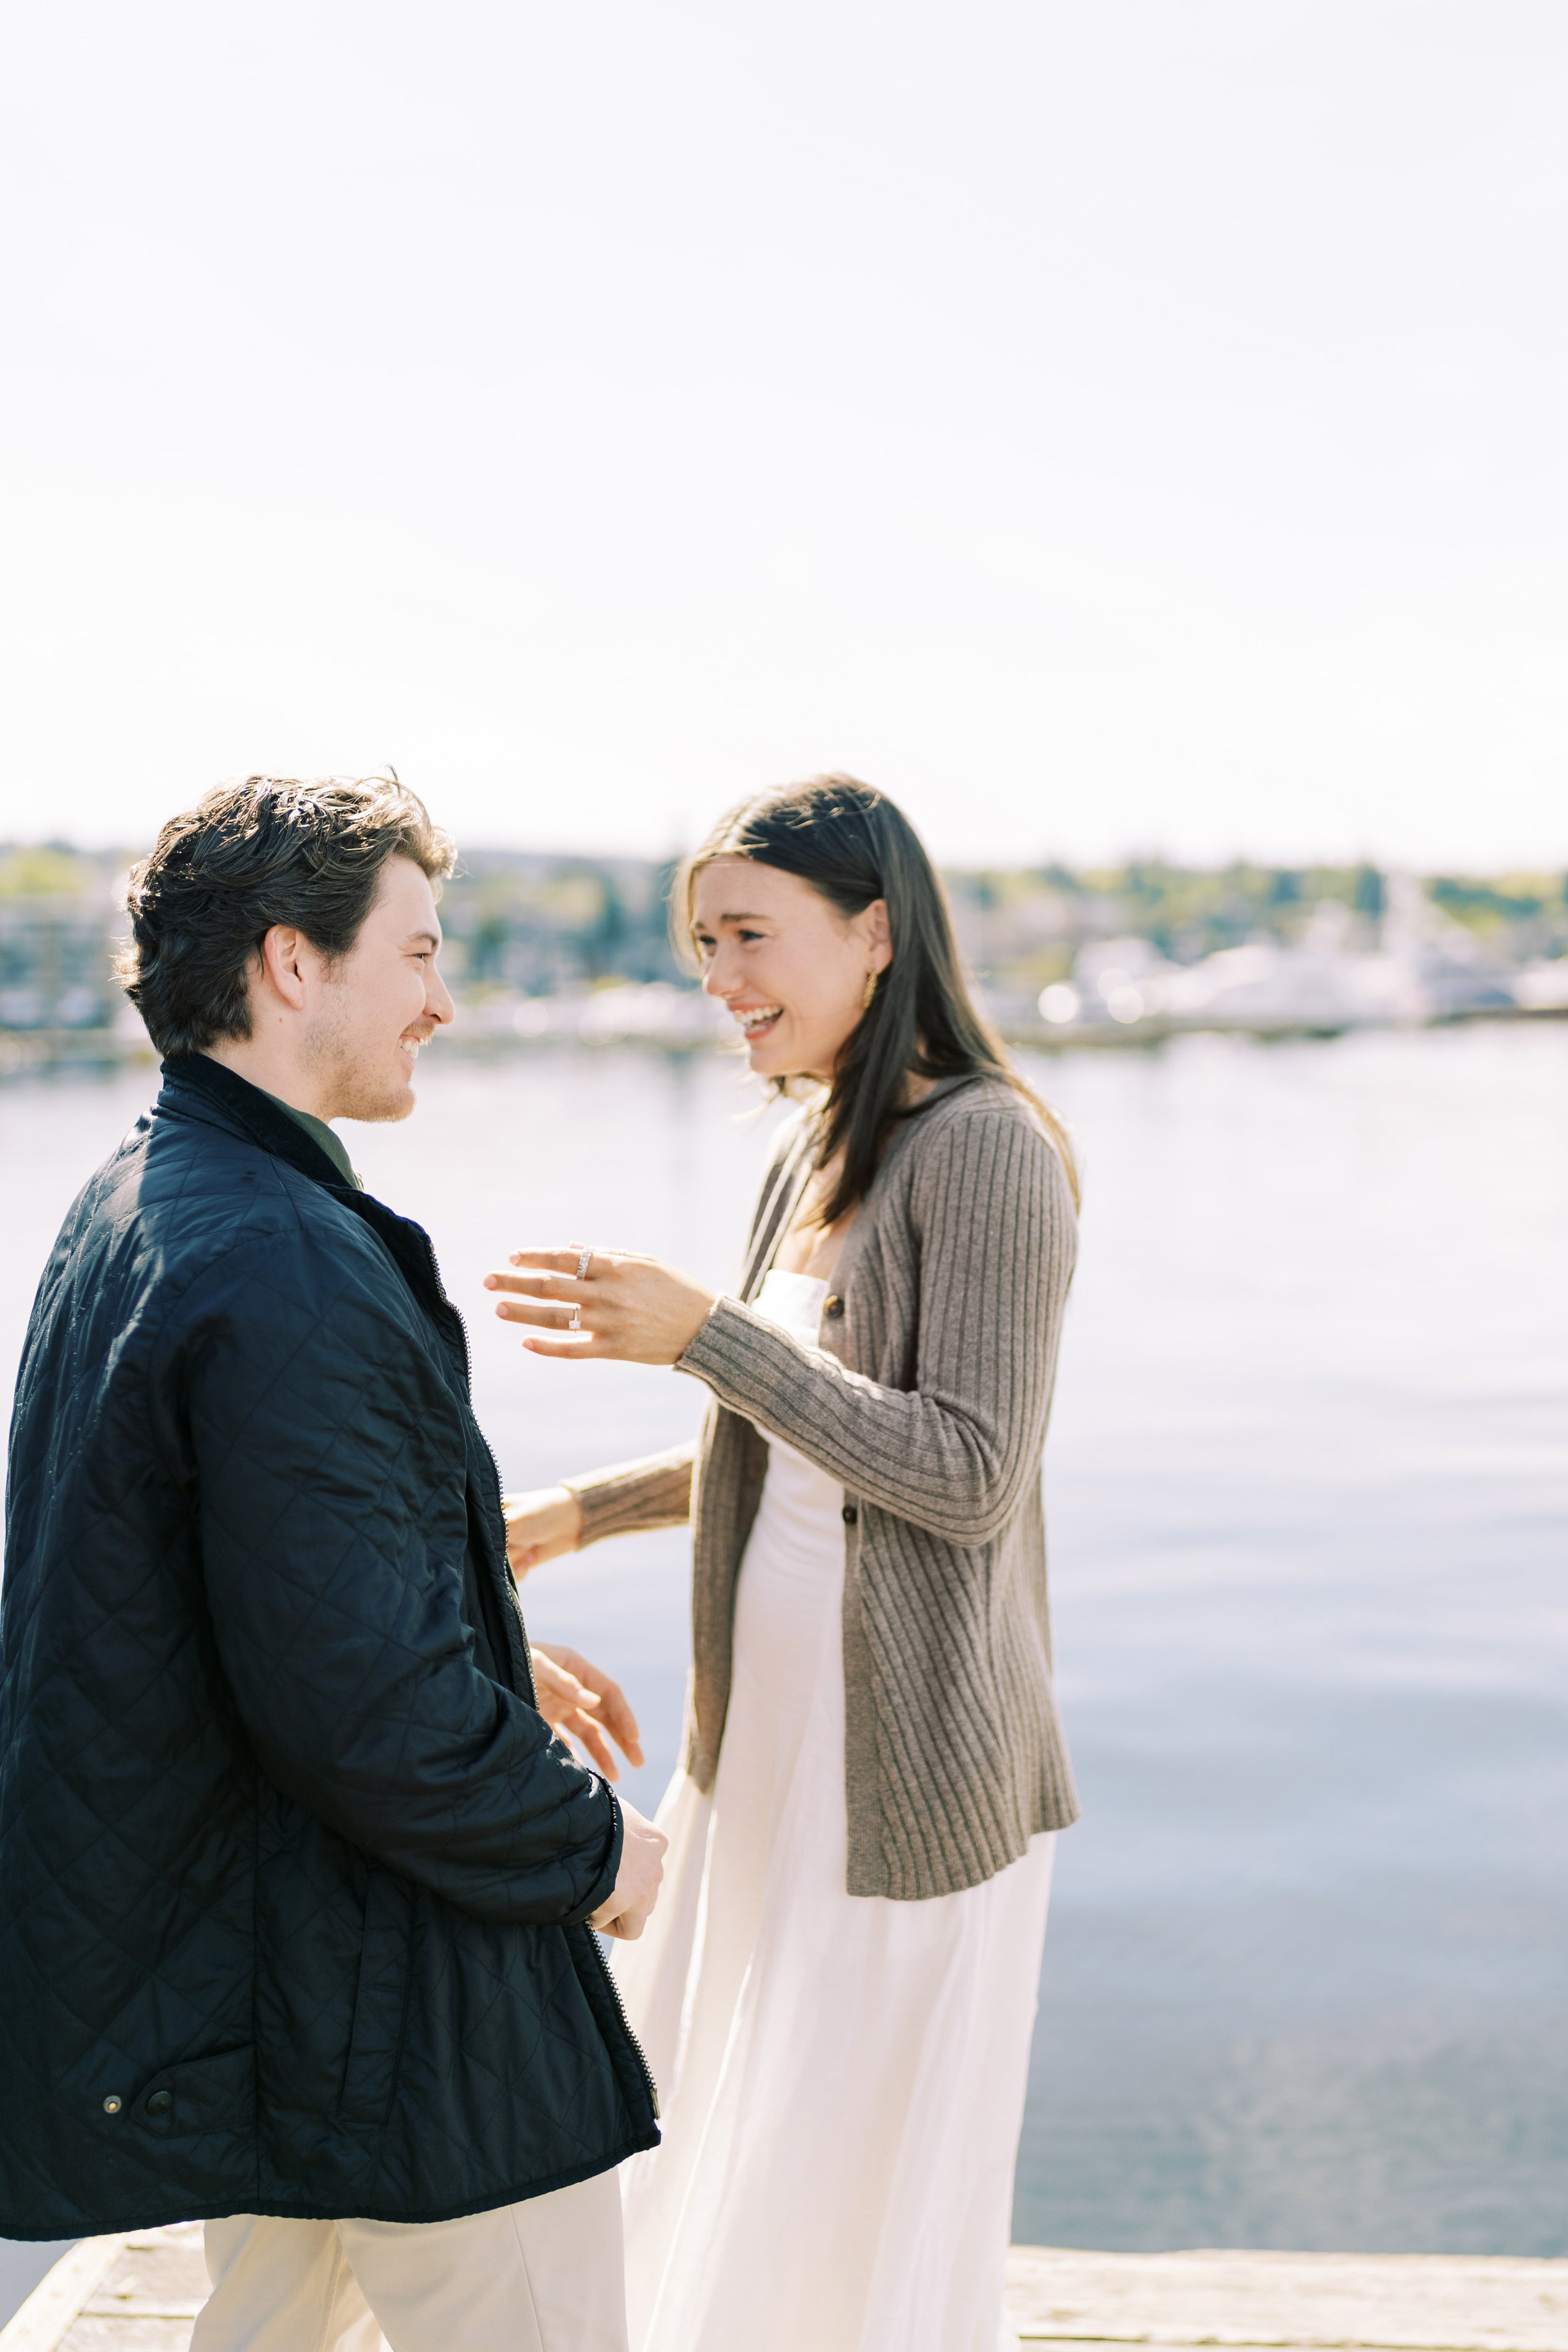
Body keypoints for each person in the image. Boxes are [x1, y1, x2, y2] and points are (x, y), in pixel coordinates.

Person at [0, 775, 666, 2352]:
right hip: (401, 2003)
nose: (445, 999)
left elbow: (232, 1603)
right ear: (293, 965)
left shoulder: (141, 1202)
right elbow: (368, 1708)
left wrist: (483, 1634)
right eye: (419, 953)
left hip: (265, 1967)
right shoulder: (283, 1254)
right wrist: (600, 1853)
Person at [491, 776, 1080, 2352]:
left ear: (875, 930)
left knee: (845, 2163)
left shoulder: (986, 1152)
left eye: (749, 935)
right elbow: (797, 1445)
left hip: (906, 1768)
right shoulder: (809, 1143)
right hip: (757, 1735)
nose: (719, 982)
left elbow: (961, 1474)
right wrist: (577, 1510)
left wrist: (706, 1334)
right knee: (705, 2102)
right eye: (702, 944)